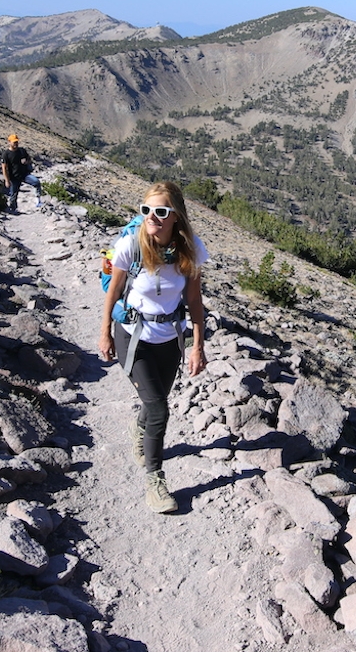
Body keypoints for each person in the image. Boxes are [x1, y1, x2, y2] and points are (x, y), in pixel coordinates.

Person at [98, 181, 208, 513]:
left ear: (176, 217)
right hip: (132, 337)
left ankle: (139, 428)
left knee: (156, 398)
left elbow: (194, 302)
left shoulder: (190, 250)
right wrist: (105, 332)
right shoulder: (132, 245)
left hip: (168, 340)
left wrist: (197, 346)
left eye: (161, 212)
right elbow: (113, 292)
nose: (152, 218)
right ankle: (154, 482)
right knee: (159, 408)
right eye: (146, 211)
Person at [1, 134, 42, 212]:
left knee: (36, 182)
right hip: (14, 177)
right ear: (9, 142)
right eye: (14, 142)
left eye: (16, 142)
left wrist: (27, 161)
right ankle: (13, 209)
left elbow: (29, 159)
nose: (16, 144)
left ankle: (38, 201)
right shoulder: (6, 154)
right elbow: (4, 168)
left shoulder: (22, 151)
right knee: (13, 194)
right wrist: (7, 180)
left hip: (24, 174)